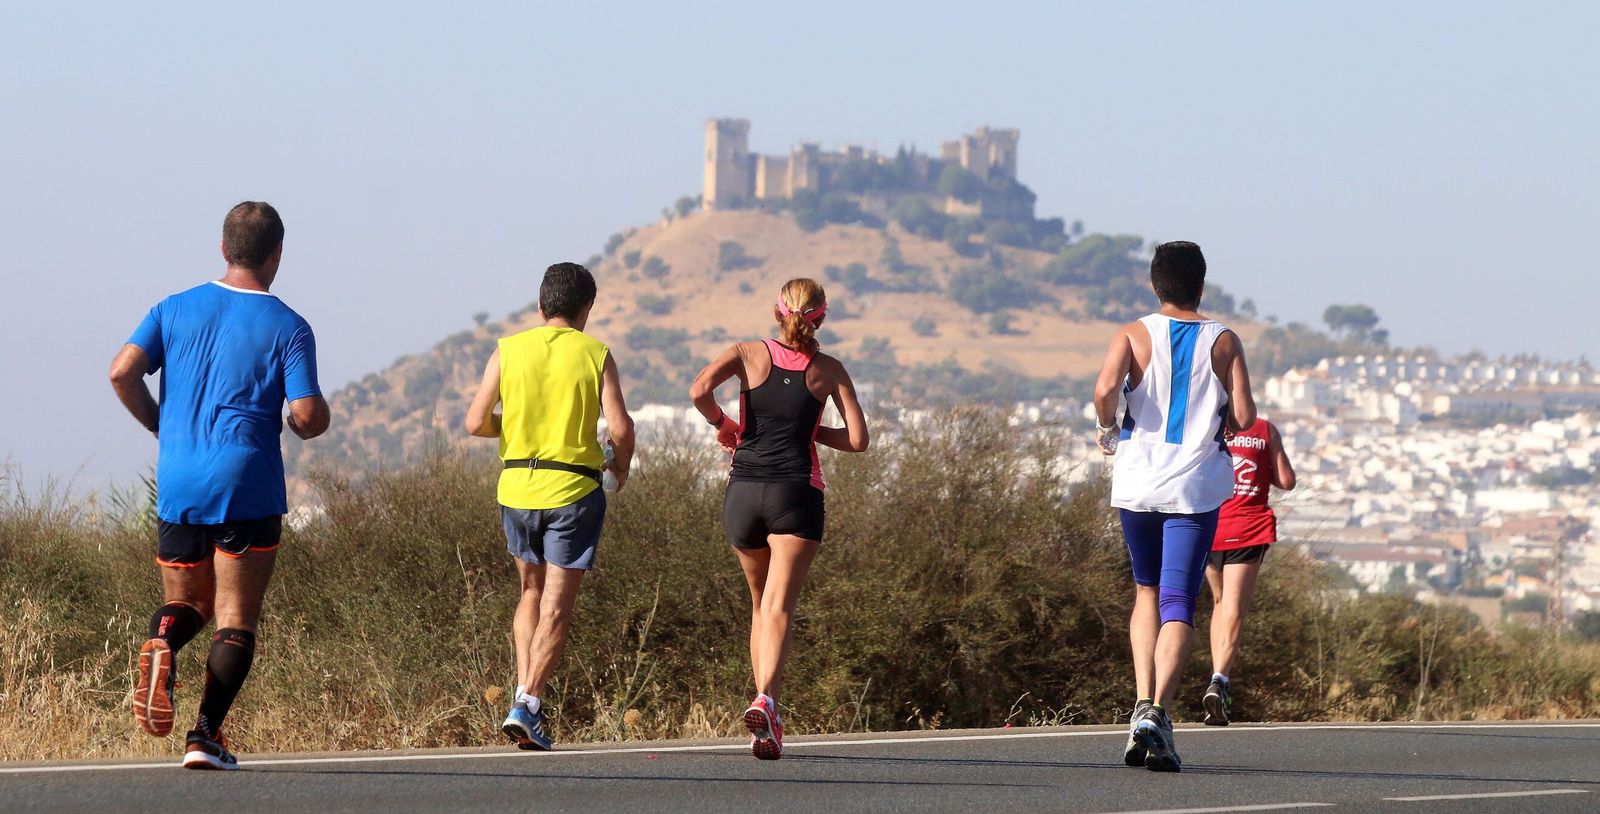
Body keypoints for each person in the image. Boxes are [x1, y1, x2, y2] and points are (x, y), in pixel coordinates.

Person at [109, 201, 330, 770]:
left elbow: (121, 371)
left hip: (179, 479)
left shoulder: (172, 307)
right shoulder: (289, 326)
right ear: (277, 253)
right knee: (235, 617)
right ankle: (204, 735)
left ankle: (161, 639)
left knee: (187, 604)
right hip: (246, 483)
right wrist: (308, 417)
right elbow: (305, 415)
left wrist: (161, 424)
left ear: (223, 247)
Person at [689, 278, 869, 760]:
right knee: (779, 608)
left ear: (776, 313)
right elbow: (858, 439)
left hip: (743, 493)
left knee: (758, 607)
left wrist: (726, 425)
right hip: (796, 495)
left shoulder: (747, 353)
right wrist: (811, 431)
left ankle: (763, 719)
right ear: (822, 319)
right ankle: (766, 700)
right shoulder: (829, 370)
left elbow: (699, 389)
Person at [1092, 240, 1255, 772]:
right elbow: (1247, 416)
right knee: (1179, 602)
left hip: (1138, 480)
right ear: (1202, 285)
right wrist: (1226, 421)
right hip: (1194, 487)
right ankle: (1160, 711)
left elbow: (1104, 389)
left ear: (1154, 284)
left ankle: (1141, 701)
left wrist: (1107, 424)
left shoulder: (1132, 333)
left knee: (1145, 590)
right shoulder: (1224, 339)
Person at [465, 261, 634, 751]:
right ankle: (528, 702)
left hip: (516, 488)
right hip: (573, 493)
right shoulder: (595, 353)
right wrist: (619, 467)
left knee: (529, 594)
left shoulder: (507, 350)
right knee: (557, 606)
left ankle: (523, 698)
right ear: (586, 309)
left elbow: (475, 422)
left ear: (541, 306)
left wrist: (517, 427)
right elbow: (620, 430)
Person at [1201, 417, 1296, 725]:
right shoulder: (1264, 429)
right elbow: (1287, 480)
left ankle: (1217, 677)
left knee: (1219, 603)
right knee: (1234, 608)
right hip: (1247, 527)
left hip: (1209, 526)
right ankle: (1220, 679)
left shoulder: (1206, 423)